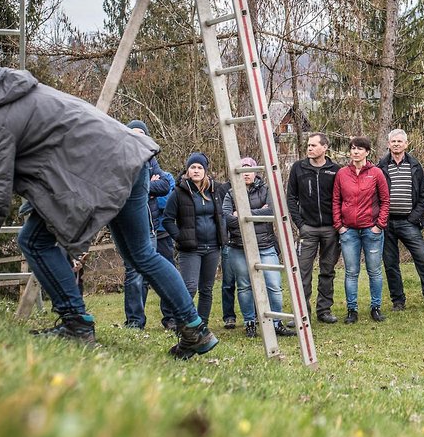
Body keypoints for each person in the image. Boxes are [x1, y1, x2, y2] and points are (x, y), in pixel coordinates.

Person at [0, 58, 216, 357]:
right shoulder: (7, 94)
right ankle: (195, 329)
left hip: (103, 170)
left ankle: (76, 324)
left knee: (34, 241)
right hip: (128, 158)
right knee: (141, 254)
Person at [222, 157, 297, 339]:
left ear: (255, 172)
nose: (246, 173)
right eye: (242, 169)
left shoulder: (266, 190)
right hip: (239, 246)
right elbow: (228, 219)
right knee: (244, 286)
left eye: (249, 169)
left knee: (274, 285)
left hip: (265, 245)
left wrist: (243, 214)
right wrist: (256, 214)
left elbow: (271, 211)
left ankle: (276, 323)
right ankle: (250, 323)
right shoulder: (231, 193)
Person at [377, 129, 424, 311]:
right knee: (390, 264)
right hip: (387, 223)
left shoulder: (415, 165)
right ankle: (398, 301)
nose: (396, 144)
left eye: (400, 141)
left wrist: (414, 217)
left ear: (406, 144)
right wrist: (381, 218)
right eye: (393, 141)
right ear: (388, 144)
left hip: (409, 222)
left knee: (423, 259)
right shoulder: (381, 166)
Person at [122, 120, 178, 330]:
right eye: (134, 132)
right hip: (130, 226)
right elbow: (122, 186)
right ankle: (135, 321)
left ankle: (171, 317)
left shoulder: (151, 159)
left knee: (158, 270)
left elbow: (164, 185)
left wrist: (142, 187)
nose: (138, 137)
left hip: (152, 226)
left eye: (142, 133)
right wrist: (147, 186)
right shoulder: (120, 157)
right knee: (134, 274)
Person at [162, 153, 227, 324]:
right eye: (193, 167)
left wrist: (222, 235)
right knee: (189, 288)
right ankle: (182, 322)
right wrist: (180, 237)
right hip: (191, 249)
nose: (196, 170)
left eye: (200, 167)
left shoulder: (215, 190)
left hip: (213, 247)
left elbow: (222, 215)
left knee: (206, 289)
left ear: (205, 171)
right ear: (187, 170)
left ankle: (202, 325)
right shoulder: (178, 193)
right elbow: (167, 220)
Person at [333, 136, 390, 323]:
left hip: (371, 230)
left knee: (374, 271)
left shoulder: (376, 173)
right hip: (348, 231)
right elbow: (336, 200)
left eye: (359, 149)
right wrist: (339, 226)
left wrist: (379, 225)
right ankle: (352, 310)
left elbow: (385, 201)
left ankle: (376, 307)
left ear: (367, 152)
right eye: (353, 148)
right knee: (351, 272)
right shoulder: (342, 173)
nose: (355, 152)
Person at [286, 133, 341, 324]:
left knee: (327, 270)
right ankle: (302, 313)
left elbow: (342, 198)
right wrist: (300, 224)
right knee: (302, 272)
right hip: (307, 229)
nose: (309, 148)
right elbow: (291, 198)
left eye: (314, 145)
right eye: (308, 145)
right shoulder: (298, 168)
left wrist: (338, 224)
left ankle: (324, 310)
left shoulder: (335, 170)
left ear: (325, 147)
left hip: (331, 230)